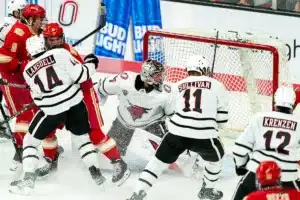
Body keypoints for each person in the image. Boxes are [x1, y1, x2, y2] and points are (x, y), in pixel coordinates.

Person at [9, 35, 106, 195]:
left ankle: (27, 180)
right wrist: (91, 62)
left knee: (30, 142)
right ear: (45, 46)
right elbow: (81, 75)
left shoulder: (27, 70)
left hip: (51, 110)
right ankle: (95, 173)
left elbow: (38, 97)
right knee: (83, 141)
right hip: (76, 105)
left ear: (29, 52)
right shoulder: (61, 53)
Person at [126, 55, 228, 200]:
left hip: (176, 134)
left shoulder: (177, 86)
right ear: (204, 69)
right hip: (204, 136)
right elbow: (222, 122)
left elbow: (172, 112)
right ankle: (207, 190)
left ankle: (138, 193)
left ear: (188, 70)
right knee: (217, 159)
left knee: (156, 163)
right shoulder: (217, 85)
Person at [40, 23, 130, 185]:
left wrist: (90, 62)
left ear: (63, 38)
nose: (55, 42)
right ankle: (50, 160)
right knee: (48, 129)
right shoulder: (45, 54)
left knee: (93, 133)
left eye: (58, 39)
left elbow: (80, 77)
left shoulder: (69, 53)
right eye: (51, 40)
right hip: (60, 99)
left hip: (83, 97)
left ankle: (118, 163)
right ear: (45, 40)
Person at [0, 3, 56, 173]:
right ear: (30, 19)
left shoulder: (37, 31)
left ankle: (50, 155)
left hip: (29, 78)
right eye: (40, 19)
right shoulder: (17, 33)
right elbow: (3, 58)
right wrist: (24, 64)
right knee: (24, 115)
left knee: (43, 112)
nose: (42, 22)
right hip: (11, 79)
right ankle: (20, 150)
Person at [231, 86, 300, 200]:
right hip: (288, 176)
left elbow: (239, 149)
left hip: (257, 172)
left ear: (275, 102)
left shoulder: (259, 118)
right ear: (293, 104)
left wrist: (241, 166)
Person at [0, 0, 28, 141]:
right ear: (14, 12)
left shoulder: (19, 24)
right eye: (21, 11)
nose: (24, 14)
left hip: (12, 67)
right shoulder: (9, 27)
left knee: (11, 98)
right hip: (6, 67)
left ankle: (2, 124)